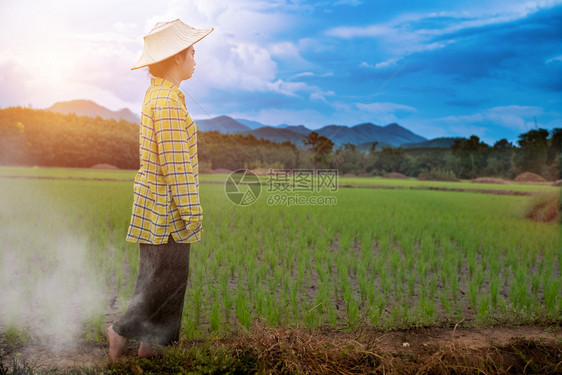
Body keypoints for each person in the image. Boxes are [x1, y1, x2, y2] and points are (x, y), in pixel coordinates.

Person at [107, 19, 213, 362]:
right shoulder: (167, 102)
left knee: (159, 280)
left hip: (156, 210)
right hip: (166, 213)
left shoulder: (159, 94)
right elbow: (176, 166)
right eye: (192, 52)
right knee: (163, 283)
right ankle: (120, 333)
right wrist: (192, 213)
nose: (195, 59)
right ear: (176, 57)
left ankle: (148, 348)